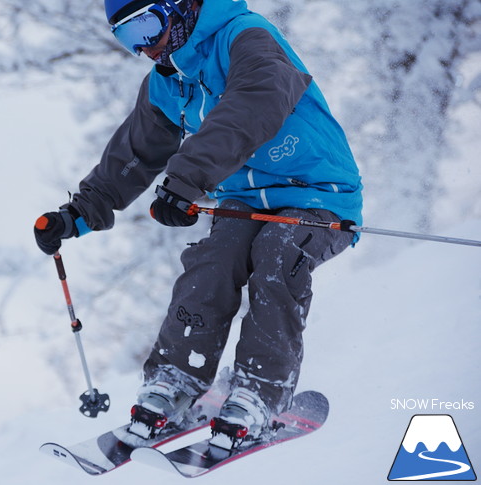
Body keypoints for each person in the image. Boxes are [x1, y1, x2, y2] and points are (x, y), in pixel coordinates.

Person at [34, 0, 362, 449]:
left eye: (147, 26)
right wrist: (77, 214)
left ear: (180, 7)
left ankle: (259, 392)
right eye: (129, 38)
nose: (145, 48)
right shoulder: (167, 82)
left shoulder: (245, 36)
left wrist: (188, 177)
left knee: (277, 254)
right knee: (213, 260)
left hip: (318, 193)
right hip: (242, 201)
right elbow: (134, 155)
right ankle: (176, 378)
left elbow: (255, 102)